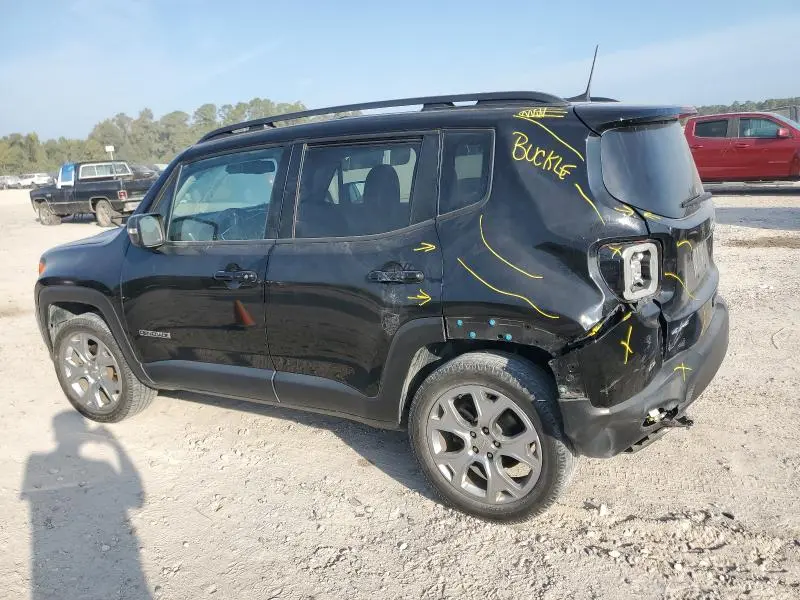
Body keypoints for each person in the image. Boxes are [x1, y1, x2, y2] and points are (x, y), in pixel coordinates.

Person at [21, 412, 151, 599]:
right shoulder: (103, 466)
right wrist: (115, 446)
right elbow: (137, 501)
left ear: (55, 435)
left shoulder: (34, 462)